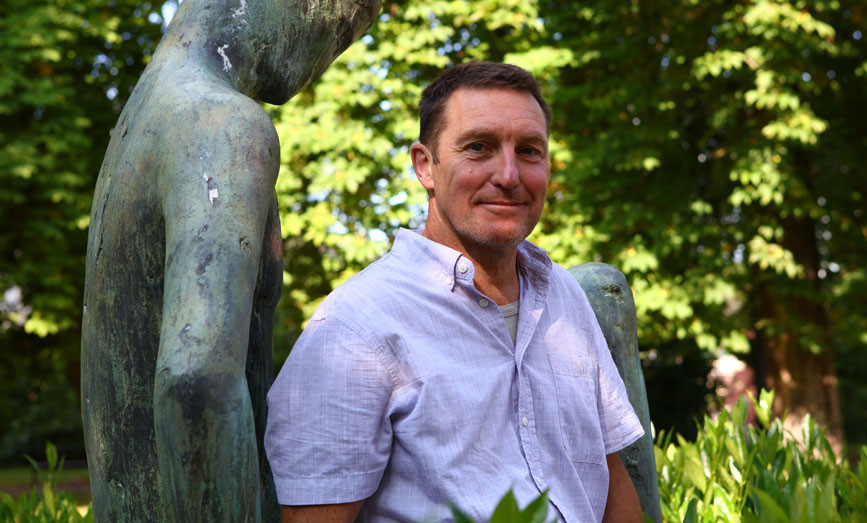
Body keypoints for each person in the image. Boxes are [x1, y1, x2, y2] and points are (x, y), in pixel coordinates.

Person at [265, 61, 645, 522]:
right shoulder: (354, 330)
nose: (508, 175)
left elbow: (610, 477)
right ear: (425, 166)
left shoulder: (564, 296)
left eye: (529, 151)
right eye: (478, 147)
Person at [80, 0, 379, 520]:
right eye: (341, 27)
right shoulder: (222, 124)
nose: (327, 56)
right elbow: (196, 379)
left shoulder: (144, 117)